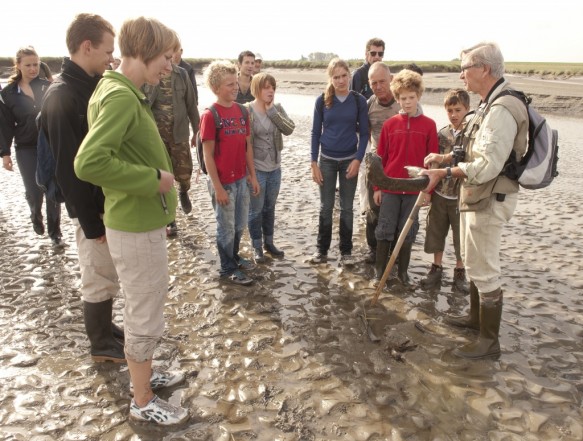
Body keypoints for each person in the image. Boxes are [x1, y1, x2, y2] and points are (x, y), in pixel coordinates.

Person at [74, 16, 188, 425]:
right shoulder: (121, 96)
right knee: (145, 313)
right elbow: (88, 162)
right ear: (141, 51)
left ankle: (146, 375)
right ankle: (142, 402)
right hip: (136, 226)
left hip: (135, 223)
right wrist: (152, 180)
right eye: (165, 57)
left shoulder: (119, 89)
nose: (169, 66)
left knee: (143, 307)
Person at [421, 42, 528, 359]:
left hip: (489, 198)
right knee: (472, 260)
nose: (461, 74)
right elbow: (471, 151)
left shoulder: (503, 109)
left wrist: (446, 172)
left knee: (484, 268)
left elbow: (487, 165)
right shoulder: (487, 104)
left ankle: (488, 342)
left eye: (465, 67)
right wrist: (445, 158)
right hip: (475, 195)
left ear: (484, 69)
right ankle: (474, 319)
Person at [39, 13, 126, 364]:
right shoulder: (61, 94)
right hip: (88, 206)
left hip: (103, 200)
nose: (111, 58)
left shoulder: (91, 83)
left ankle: (108, 329)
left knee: (107, 273)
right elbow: (66, 168)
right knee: (96, 274)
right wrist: (90, 222)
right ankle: (100, 344)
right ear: (87, 46)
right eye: (108, 50)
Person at [373, 69, 438, 285]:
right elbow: (380, 158)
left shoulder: (429, 125)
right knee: (384, 230)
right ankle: (379, 273)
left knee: (407, 232)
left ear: (418, 96)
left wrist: (428, 192)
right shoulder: (390, 125)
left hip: (414, 190)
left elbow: (433, 163)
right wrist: (378, 188)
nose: (407, 102)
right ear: (397, 98)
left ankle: (402, 274)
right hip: (390, 187)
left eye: (411, 97)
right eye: (403, 98)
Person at [199, 60, 260, 285]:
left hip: (241, 179)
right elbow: (207, 155)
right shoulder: (210, 115)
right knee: (225, 227)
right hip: (222, 182)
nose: (235, 87)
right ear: (216, 88)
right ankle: (227, 268)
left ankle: (234, 257)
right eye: (229, 84)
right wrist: (217, 188)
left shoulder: (242, 111)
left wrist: (252, 175)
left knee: (239, 224)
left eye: (236, 83)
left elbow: (247, 146)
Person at [0, 46, 63, 245]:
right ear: (18, 65)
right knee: (34, 192)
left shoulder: (48, 86)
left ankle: (55, 234)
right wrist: (5, 153)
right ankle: (35, 214)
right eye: (28, 65)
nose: (33, 68)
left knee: (52, 188)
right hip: (25, 147)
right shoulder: (8, 93)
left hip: (49, 144)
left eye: (36, 64)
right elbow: (5, 125)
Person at [310, 58, 369, 265]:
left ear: (350, 76)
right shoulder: (322, 101)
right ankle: (321, 251)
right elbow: (316, 132)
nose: (341, 80)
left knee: (346, 208)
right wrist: (313, 162)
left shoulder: (358, 100)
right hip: (326, 160)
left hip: (348, 161)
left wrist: (357, 159)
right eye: (336, 77)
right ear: (331, 78)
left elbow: (364, 134)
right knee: (326, 207)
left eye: (344, 76)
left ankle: (346, 252)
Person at [419, 89, 470, 293]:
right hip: (440, 194)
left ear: (467, 109)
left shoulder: (472, 136)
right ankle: (436, 268)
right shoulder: (441, 134)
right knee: (435, 232)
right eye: (449, 110)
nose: (454, 114)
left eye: (458, 110)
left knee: (461, 237)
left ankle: (460, 272)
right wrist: (427, 191)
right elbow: (431, 166)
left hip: (461, 197)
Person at [143, 56, 200, 236]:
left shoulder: (181, 74)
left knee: (184, 173)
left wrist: (197, 132)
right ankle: (171, 220)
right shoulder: (149, 75)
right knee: (163, 176)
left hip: (179, 133)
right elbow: (141, 104)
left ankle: (184, 190)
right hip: (156, 136)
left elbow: (191, 104)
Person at [246, 73, 295, 263]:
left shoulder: (278, 108)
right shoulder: (247, 111)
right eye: (266, 87)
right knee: (255, 210)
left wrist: (272, 112)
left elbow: (289, 129)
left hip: (275, 167)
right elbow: (245, 144)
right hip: (256, 168)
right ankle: (257, 247)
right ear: (257, 89)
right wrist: (250, 175)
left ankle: (269, 243)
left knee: (270, 207)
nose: (270, 91)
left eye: (273, 87)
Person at [359, 62, 400, 264]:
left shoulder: (403, 102)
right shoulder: (369, 105)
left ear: (391, 79)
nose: (378, 86)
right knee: (373, 211)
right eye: (373, 83)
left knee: (398, 210)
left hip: (399, 164)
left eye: (382, 81)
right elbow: (363, 134)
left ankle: (396, 249)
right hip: (377, 163)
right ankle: (373, 249)